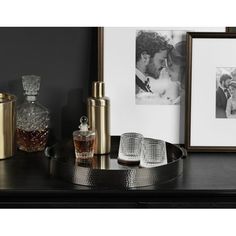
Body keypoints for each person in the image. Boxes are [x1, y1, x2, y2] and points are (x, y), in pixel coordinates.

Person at [135, 31, 171, 95]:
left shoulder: (141, 83)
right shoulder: (135, 87)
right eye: (161, 61)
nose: (165, 66)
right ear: (145, 57)